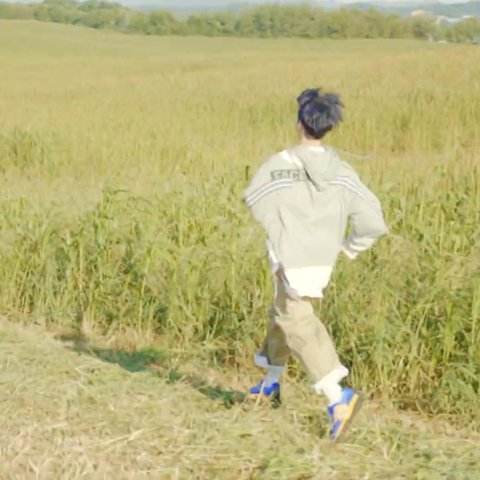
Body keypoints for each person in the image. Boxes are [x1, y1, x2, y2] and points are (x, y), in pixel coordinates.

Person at [243, 88, 388, 442]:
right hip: (321, 262)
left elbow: (254, 201)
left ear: (300, 123)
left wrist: (282, 235)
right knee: (283, 314)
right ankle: (270, 384)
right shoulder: (342, 171)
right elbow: (373, 222)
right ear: (327, 127)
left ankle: (339, 398)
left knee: (298, 322)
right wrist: (348, 248)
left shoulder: (279, 164)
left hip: (289, 258)